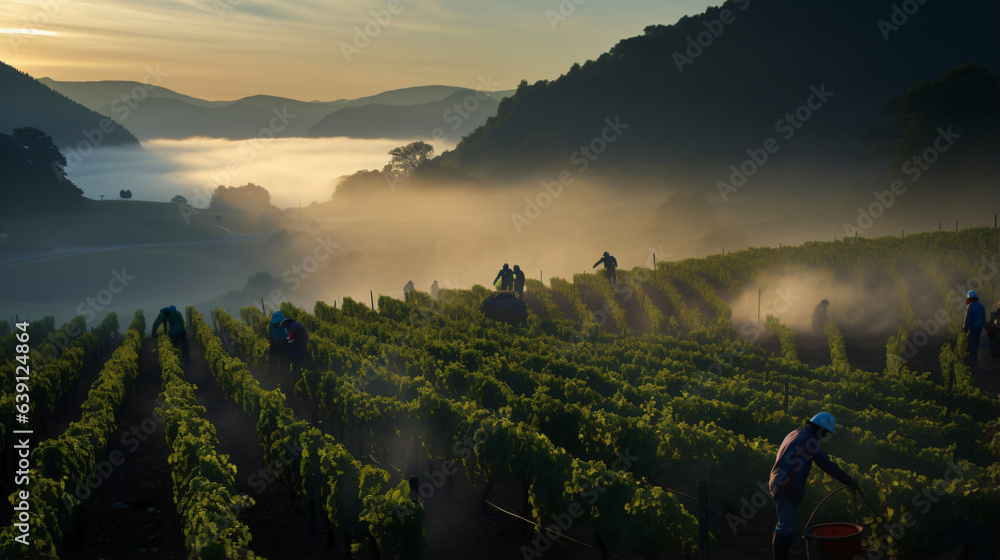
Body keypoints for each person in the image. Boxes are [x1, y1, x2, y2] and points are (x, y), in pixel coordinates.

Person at [769, 412, 858, 560]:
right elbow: (826, 465)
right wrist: (849, 481)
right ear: (820, 429)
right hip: (787, 487)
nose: (825, 436)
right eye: (826, 432)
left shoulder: (796, 433)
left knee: (784, 525)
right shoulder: (809, 441)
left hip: (779, 482)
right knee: (785, 527)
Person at [964, 290, 986, 366]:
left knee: (971, 342)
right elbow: (983, 318)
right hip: (980, 327)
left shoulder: (970, 306)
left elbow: (968, 318)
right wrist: (985, 327)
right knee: (975, 342)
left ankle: (973, 361)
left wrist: (965, 328)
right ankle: (974, 359)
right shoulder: (981, 306)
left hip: (973, 327)